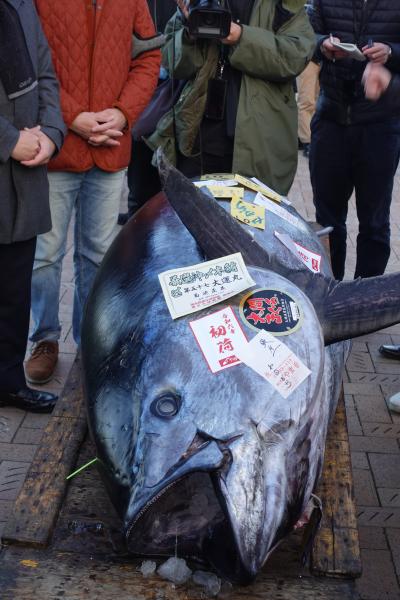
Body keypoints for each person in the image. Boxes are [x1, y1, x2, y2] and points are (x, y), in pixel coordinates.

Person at [25, 0, 160, 385]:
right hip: (55, 145)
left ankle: (90, 344)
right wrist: (72, 118)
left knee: (99, 255)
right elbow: (31, 62)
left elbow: (149, 57)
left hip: (111, 143)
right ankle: (45, 339)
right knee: (45, 256)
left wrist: (122, 112)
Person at [147, 0, 316, 195]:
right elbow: (171, 61)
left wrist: (241, 37)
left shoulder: (283, 5)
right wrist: (190, 32)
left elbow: (295, 56)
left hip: (259, 142)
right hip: (197, 138)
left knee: (246, 221)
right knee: (191, 216)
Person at [0, 0, 65, 412]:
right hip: (12, 151)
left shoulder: (22, 4)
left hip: (23, 177)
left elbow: (45, 76)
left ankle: (8, 381)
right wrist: (9, 141)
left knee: (14, 291)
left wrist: (53, 134)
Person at [309, 1, 400, 282]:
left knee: (374, 222)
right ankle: (331, 290)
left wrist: (391, 53)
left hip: (380, 124)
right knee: (327, 220)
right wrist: (323, 44)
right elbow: (302, 36)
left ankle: (364, 298)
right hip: (331, 120)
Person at [118, 0, 177, 226]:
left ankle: (149, 215)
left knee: (161, 160)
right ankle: (137, 213)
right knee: (139, 158)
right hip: (138, 85)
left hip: (171, 86)